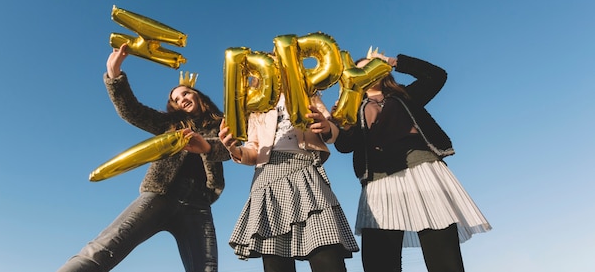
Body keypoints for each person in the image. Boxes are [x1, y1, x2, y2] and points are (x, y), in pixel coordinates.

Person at [56, 43, 230, 272]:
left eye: (185, 93)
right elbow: (132, 111)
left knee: (207, 269)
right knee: (106, 246)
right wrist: (114, 74)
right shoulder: (170, 124)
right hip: (161, 194)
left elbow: (230, 151)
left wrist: (207, 145)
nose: (182, 99)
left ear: (198, 95)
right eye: (176, 99)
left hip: (199, 203)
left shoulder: (223, 125)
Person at [333, 50, 491, 272]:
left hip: (424, 173)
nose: (366, 72)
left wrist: (391, 61)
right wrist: (341, 123)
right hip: (379, 182)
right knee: (380, 263)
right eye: (360, 69)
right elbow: (344, 146)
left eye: (372, 66)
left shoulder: (405, 96)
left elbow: (436, 76)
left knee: (444, 261)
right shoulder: (352, 109)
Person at [218, 91, 359, 272]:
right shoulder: (255, 104)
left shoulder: (307, 92)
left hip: (305, 171)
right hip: (267, 178)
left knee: (327, 253)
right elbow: (252, 150)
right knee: (276, 263)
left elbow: (330, 129)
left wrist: (327, 127)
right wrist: (233, 149)